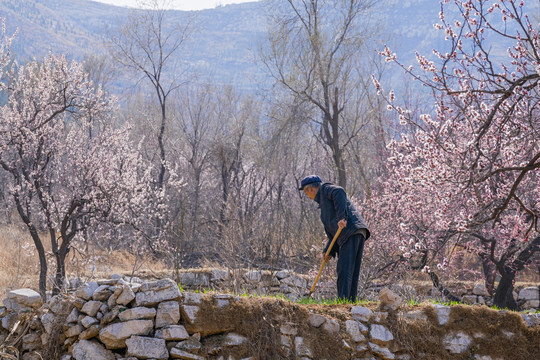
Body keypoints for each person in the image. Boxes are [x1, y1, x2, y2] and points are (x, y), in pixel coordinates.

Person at [299, 175, 370, 302]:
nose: (308, 197)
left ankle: (343, 301)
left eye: (306, 192)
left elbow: (339, 191)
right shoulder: (324, 206)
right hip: (355, 231)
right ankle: (350, 303)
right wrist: (329, 250)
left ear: (309, 189)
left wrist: (342, 217)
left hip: (350, 230)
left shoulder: (325, 189)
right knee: (350, 271)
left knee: (344, 270)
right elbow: (332, 234)